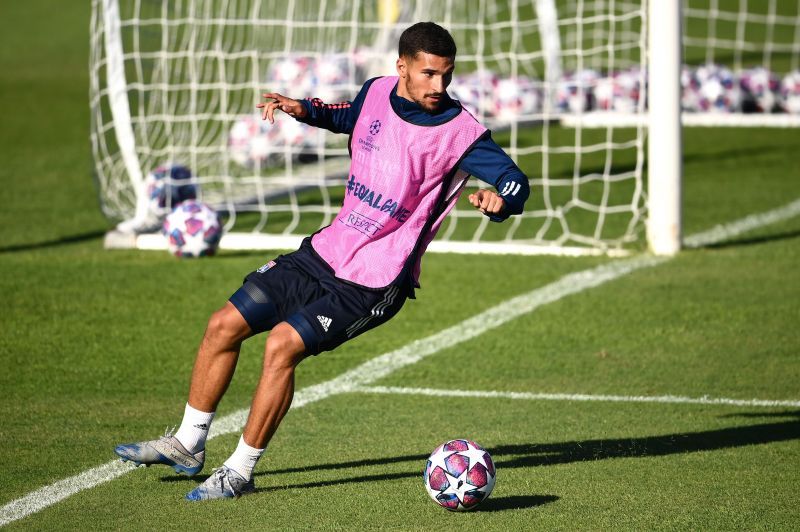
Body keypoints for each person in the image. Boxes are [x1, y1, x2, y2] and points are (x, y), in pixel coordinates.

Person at [114, 21, 529, 501]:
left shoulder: (462, 132)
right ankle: (187, 443)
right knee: (223, 324)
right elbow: (349, 116)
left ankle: (240, 471)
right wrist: (303, 110)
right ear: (402, 68)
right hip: (326, 250)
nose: (440, 86)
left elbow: (516, 181)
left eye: (447, 76)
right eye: (430, 74)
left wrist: (501, 201)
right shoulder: (376, 91)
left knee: (281, 347)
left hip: (376, 279)